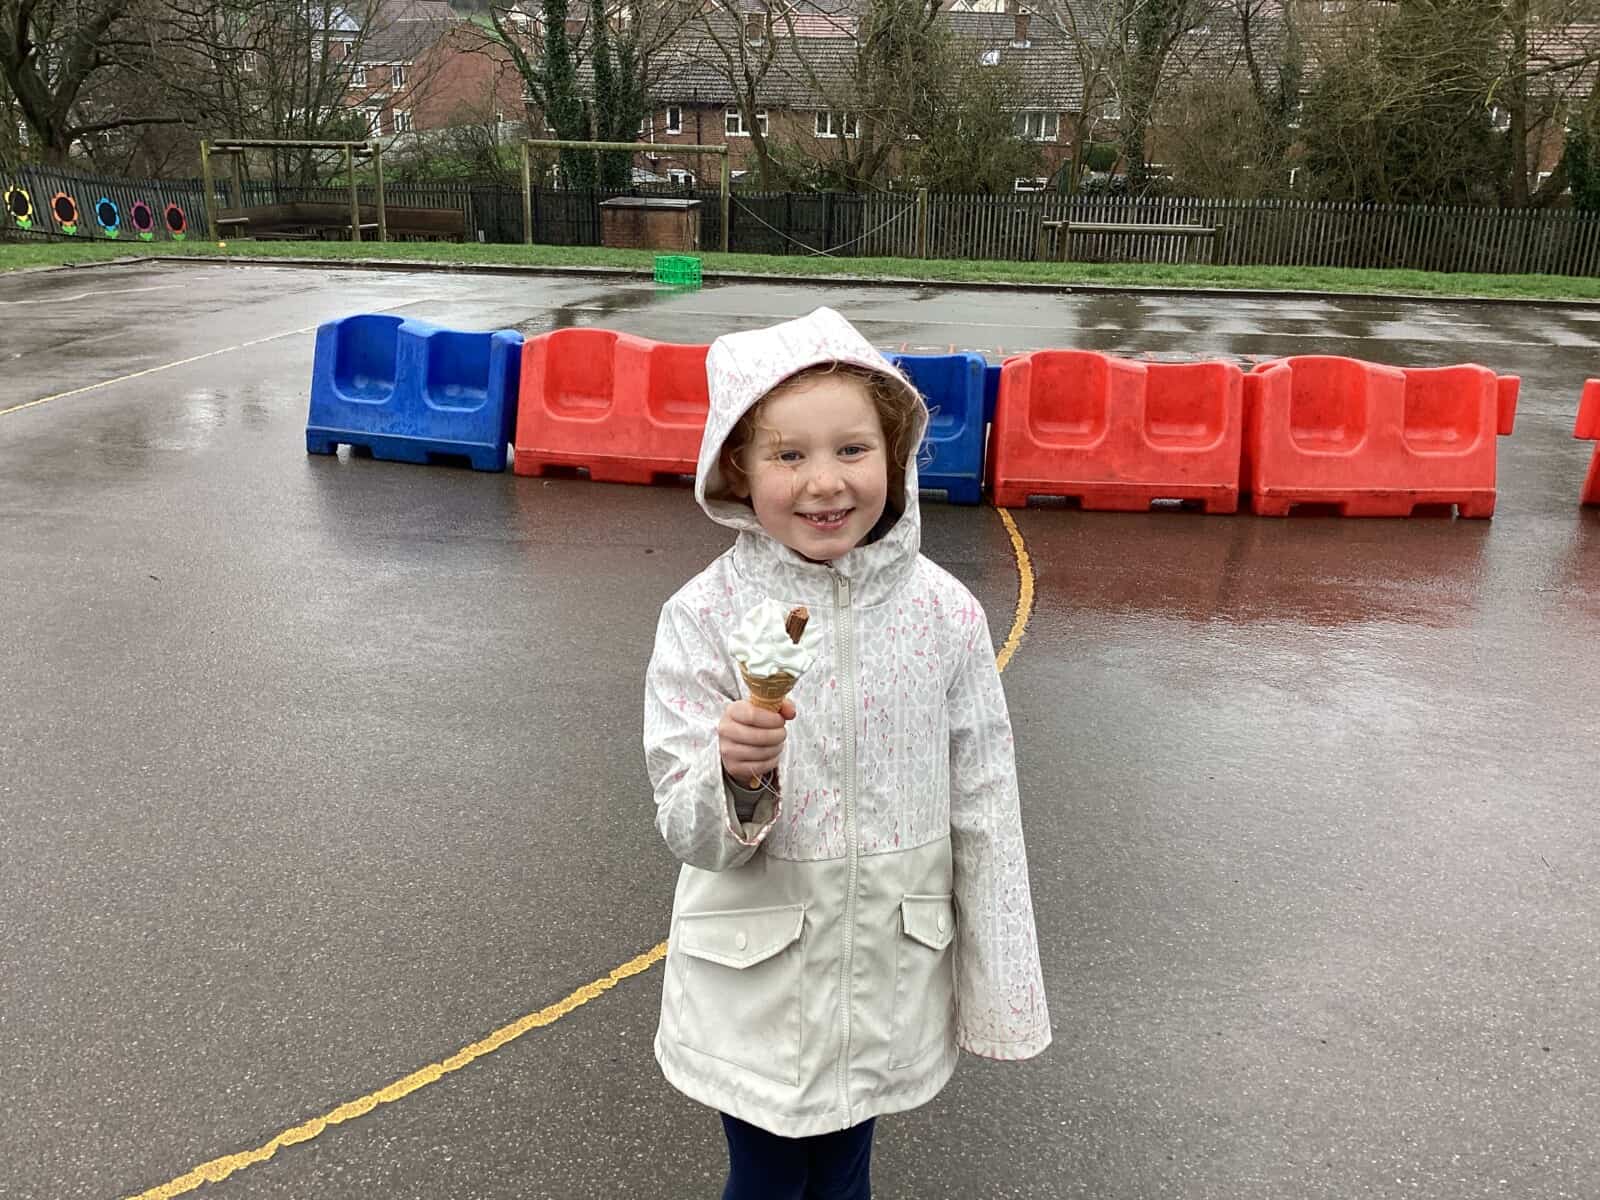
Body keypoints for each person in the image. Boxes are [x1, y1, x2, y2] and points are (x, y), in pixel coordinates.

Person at [643, 307, 1051, 1200]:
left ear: (895, 455)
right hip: (759, 975)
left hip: (887, 971)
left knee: (844, 1172)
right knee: (767, 1175)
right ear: (737, 469)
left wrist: (1001, 986)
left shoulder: (944, 614)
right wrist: (737, 774)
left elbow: (985, 803)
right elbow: (686, 828)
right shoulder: (704, 617)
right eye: (789, 455)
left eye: (852, 450)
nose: (824, 482)